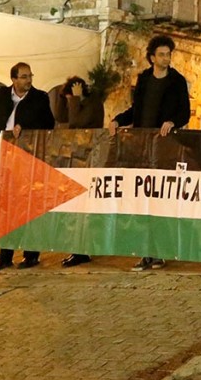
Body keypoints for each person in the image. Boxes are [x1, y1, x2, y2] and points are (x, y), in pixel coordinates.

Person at [110, 34, 191, 271]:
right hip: (142, 147)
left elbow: (184, 112)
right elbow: (136, 110)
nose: (167, 58)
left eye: (169, 54)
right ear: (152, 57)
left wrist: (171, 121)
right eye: (162, 54)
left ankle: (159, 252)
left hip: (165, 147)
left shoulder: (177, 81)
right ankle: (145, 252)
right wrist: (118, 120)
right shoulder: (144, 79)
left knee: (160, 202)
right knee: (142, 201)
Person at [0, 62, 55, 271]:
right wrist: (0, 127)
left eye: (30, 76)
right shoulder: (1, 95)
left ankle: (31, 255)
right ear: (14, 79)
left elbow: (49, 124)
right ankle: (5, 256)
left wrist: (26, 128)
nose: (29, 80)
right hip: (6, 157)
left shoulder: (40, 98)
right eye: (24, 77)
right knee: (6, 208)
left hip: (29, 159)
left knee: (30, 208)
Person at [58, 75, 106, 268]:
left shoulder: (93, 103)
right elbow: (61, 117)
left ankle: (83, 250)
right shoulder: (77, 103)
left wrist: (75, 100)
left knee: (83, 209)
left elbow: (76, 122)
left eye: (72, 97)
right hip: (77, 161)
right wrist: (66, 100)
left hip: (89, 161)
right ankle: (78, 250)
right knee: (74, 208)